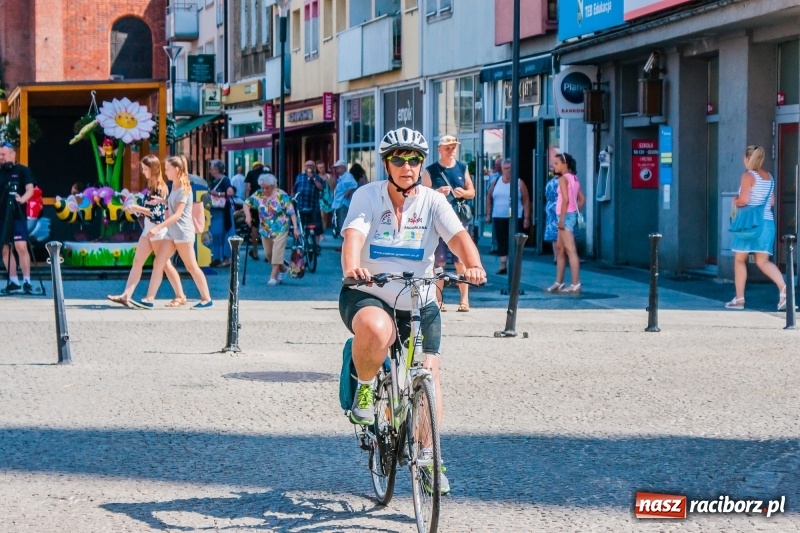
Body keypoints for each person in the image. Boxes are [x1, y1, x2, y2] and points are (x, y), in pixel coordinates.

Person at [339, 127, 486, 495]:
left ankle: (428, 459)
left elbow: (459, 239)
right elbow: (353, 236)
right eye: (399, 159)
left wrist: (474, 265)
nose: (408, 166)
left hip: (420, 297)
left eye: (415, 159)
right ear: (387, 163)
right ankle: (367, 388)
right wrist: (352, 267)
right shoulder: (367, 196)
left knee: (429, 378)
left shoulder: (433, 202)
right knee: (378, 329)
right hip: (370, 291)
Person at [130, 156, 213, 310]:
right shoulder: (174, 186)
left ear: (176, 170)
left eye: (168, 169)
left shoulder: (183, 189)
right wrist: (162, 202)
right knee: (158, 263)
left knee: (191, 266)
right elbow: (172, 205)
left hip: (182, 234)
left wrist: (157, 227)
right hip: (171, 233)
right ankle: (149, 299)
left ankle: (206, 299)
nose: (165, 172)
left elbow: (177, 215)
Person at [107, 155, 185, 307]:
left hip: (157, 231)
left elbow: (157, 213)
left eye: (145, 169)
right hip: (148, 230)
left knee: (165, 265)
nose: (143, 172)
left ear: (153, 169)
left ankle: (180, 295)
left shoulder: (160, 187)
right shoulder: (151, 185)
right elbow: (150, 211)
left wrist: (137, 208)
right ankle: (126, 295)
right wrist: (137, 210)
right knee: (138, 262)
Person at [726, 145, 787, 311]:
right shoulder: (769, 177)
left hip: (749, 224)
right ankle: (784, 290)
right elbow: (772, 202)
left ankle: (739, 300)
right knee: (763, 261)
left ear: (747, 158)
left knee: (739, 260)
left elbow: (745, 200)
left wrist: (736, 201)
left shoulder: (748, 176)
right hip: (767, 223)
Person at [422, 134, 476, 312]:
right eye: (448, 147)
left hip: (459, 221)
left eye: (454, 147)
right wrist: (437, 192)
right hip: (438, 223)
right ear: (440, 150)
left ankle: (464, 300)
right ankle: (438, 299)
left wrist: (463, 193)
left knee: (460, 261)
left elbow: (472, 192)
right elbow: (422, 195)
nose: (451, 150)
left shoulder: (462, 167)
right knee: (440, 261)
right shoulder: (431, 170)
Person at [244, 173, 300, 286]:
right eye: (262, 187)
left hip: (281, 227)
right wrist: (248, 216)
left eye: (267, 188)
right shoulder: (259, 194)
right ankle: (283, 269)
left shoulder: (281, 195)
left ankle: (272, 277)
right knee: (269, 254)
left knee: (277, 253)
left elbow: (291, 212)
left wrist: (296, 228)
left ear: (273, 185)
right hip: (265, 229)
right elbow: (246, 203)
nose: (264, 190)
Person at [546, 153, 585, 294]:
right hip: (568, 216)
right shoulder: (574, 178)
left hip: (563, 217)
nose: (554, 166)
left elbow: (566, 200)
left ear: (565, 164)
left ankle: (575, 284)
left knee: (570, 250)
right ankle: (559, 282)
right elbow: (582, 199)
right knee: (561, 250)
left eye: (556, 163)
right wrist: (574, 213)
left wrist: (562, 219)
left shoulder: (563, 179)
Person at [0, 142, 35, 295]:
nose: (1, 157)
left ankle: (27, 281)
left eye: (3, 154)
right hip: (1, 216)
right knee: (5, 248)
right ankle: (13, 281)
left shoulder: (23, 170)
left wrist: (22, 199)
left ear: (13, 154)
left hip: (17, 215)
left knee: (21, 246)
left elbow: (30, 189)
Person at [485, 158, 530, 275]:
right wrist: (488, 214)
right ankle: (503, 265)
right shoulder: (496, 181)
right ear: (501, 169)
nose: (507, 171)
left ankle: (515, 265)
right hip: (498, 216)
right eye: (505, 168)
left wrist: (526, 217)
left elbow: (526, 200)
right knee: (501, 241)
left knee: (514, 241)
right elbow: (489, 197)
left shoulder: (519, 182)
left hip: (515, 217)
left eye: (510, 169)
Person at [207, 159, 235, 267]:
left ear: (216, 169)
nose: (209, 170)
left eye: (211, 168)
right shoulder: (214, 181)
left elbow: (230, 192)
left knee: (222, 234)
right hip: (215, 211)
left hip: (222, 212)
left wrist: (216, 194)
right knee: (215, 234)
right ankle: (217, 257)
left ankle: (226, 257)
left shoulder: (225, 180)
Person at [293, 160, 325, 245]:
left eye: (311, 165)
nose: (309, 167)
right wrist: (292, 200)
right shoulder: (300, 176)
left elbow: (321, 187)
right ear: (305, 167)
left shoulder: (318, 177)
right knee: (301, 226)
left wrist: (313, 179)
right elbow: (294, 189)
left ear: (314, 168)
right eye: (307, 165)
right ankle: (302, 244)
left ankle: (316, 246)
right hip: (301, 205)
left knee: (316, 227)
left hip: (313, 205)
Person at [330, 159, 357, 238]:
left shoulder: (348, 176)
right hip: (338, 204)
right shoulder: (341, 177)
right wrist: (334, 174)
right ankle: (343, 244)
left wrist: (348, 192)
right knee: (340, 224)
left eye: (338, 168)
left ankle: (344, 245)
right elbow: (333, 186)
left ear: (343, 168)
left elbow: (354, 184)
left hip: (343, 204)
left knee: (343, 224)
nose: (337, 170)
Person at [244, 161, 265, 260]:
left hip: (255, 202)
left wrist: (246, 202)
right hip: (267, 202)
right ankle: (268, 253)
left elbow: (248, 188)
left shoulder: (251, 173)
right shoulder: (268, 173)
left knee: (255, 227)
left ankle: (255, 251)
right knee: (268, 226)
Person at [543, 171, 560, 263]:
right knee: (563, 233)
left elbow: (546, 195)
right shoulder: (563, 182)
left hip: (550, 207)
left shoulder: (549, 183)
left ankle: (556, 257)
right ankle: (563, 256)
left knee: (554, 236)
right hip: (560, 207)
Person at [316, 160, 334, 235]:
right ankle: (319, 233)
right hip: (319, 198)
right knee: (321, 216)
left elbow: (333, 187)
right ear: (317, 168)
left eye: (323, 167)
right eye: (320, 168)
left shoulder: (329, 176)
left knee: (325, 218)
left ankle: (322, 233)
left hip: (327, 198)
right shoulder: (316, 177)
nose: (322, 169)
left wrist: (328, 181)